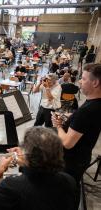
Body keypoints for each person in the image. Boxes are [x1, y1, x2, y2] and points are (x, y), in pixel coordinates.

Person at [0, 127, 76, 210]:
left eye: (24, 149)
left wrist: (0, 171)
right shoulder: (69, 180)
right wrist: (25, 159)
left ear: (29, 156)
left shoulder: (11, 186)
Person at [52, 64, 101, 208]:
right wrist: (71, 117)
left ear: (95, 82)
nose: (79, 81)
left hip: (71, 162)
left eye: (83, 78)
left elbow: (67, 143)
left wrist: (58, 125)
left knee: (66, 194)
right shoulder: (96, 104)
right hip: (82, 157)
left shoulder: (86, 111)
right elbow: (85, 124)